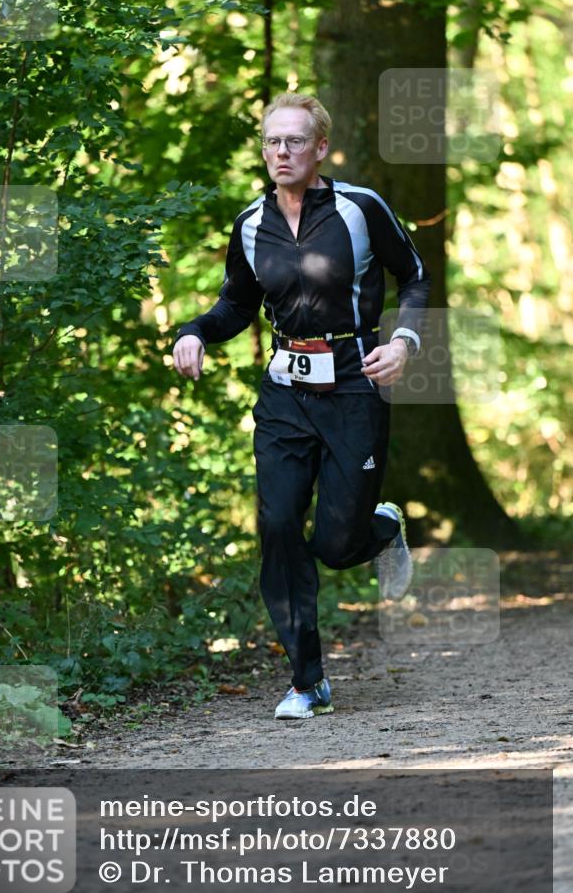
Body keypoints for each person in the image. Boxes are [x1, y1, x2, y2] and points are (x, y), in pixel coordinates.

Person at [172, 93, 431, 720]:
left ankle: (384, 525)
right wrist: (193, 332)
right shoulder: (250, 223)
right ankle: (306, 680)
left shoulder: (360, 209)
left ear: (320, 148)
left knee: (338, 543)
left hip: (354, 386)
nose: (280, 152)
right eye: (270, 142)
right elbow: (236, 303)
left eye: (293, 141)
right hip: (284, 390)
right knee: (280, 526)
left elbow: (416, 275)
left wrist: (403, 341)